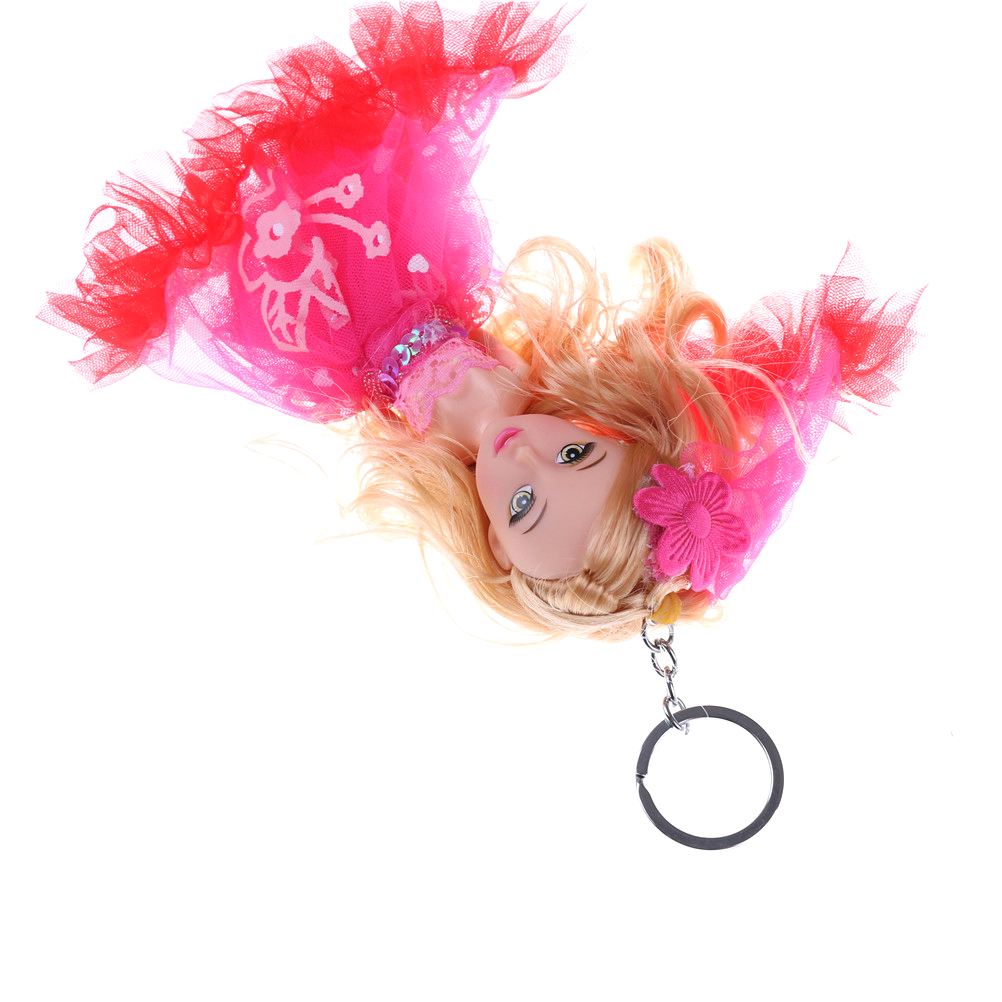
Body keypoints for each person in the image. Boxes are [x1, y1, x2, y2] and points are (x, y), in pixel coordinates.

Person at [39, 1, 921, 643]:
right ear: (607, 428)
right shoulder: (539, 393)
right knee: (353, 138)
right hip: (412, 264)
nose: (524, 458)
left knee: (227, 241)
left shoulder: (437, 449)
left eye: (525, 507)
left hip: (341, 326)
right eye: (576, 455)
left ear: (496, 543)